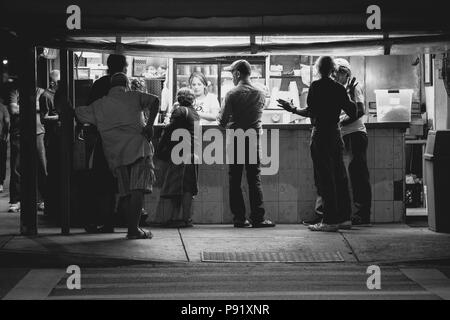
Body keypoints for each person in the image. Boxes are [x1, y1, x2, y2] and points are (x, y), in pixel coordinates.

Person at [75, 72, 159, 239]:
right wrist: (149, 126)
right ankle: (133, 230)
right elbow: (155, 100)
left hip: (117, 157)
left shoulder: (100, 105)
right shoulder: (134, 96)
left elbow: (77, 113)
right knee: (138, 191)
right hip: (138, 150)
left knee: (126, 193)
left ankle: (132, 229)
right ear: (127, 85)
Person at [278, 56, 357, 232]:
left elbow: (310, 111)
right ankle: (344, 218)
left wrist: (292, 109)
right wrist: (347, 94)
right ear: (333, 69)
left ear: (318, 68)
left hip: (321, 133)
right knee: (340, 176)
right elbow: (353, 110)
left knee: (324, 178)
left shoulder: (316, 86)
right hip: (335, 134)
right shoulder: (339, 88)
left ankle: (329, 221)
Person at [218, 59, 275, 228]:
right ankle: (258, 218)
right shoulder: (260, 93)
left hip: (236, 139)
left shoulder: (232, 94)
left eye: (232, 74)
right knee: (254, 179)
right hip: (254, 139)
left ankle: (240, 219)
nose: (232, 78)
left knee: (235, 180)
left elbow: (222, 121)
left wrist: (225, 121)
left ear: (237, 73)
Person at [83, 54, 128, 233]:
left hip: (103, 137)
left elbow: (89, 110)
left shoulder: (100, 83)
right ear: (123, 66)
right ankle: (113, 221)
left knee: (100, 181)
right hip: (121, 140)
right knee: (117, 182)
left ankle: (98, 220)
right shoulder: (125, 84)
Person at [334, 58, 372, 226]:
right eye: (334, 73)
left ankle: (362, 215)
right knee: (346, 176)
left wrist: (340, 122)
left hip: (355, 135)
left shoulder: (354, 87)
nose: (336, 76)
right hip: (344, 135)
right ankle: (347, 215)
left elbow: (360, 110)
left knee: (358, 176)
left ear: (346, 73)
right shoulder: (338, 88)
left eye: (339, 73)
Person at [159, 88, 200, 228]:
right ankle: (185, 218)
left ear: (179, 98)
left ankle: (177, 218)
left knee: (179, 187)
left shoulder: (180, 111)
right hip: (192, 152)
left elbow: (169, 129)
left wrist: (160, 148)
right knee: (187, 187)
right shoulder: (194, 113)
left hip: (181, 152)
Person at [0, 100, 9, 193]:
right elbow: (7, 121)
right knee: (1, 160)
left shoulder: (2, 107)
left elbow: (7, 121)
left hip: (1, 138)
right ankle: (0, 183)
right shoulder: (3, 107)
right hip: (1, 138)